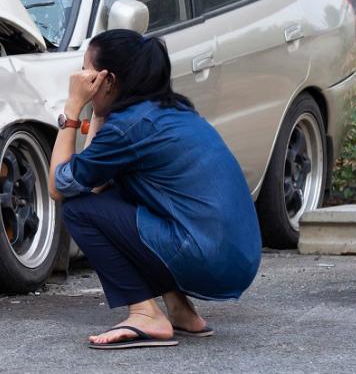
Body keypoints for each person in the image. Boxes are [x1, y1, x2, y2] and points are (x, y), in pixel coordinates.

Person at [48, 29, 262, 350]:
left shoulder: (128, 128)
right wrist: (99, 109)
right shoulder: (170, 112)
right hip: (237, 259)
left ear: (108, 80)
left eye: (86, 70)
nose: (80, 78)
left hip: (208, 258)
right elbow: (96, 184)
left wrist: (73, 107)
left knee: (78, 210)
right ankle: (180, 311)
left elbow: (58, 186)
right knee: (116, 197)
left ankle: (145, 313)